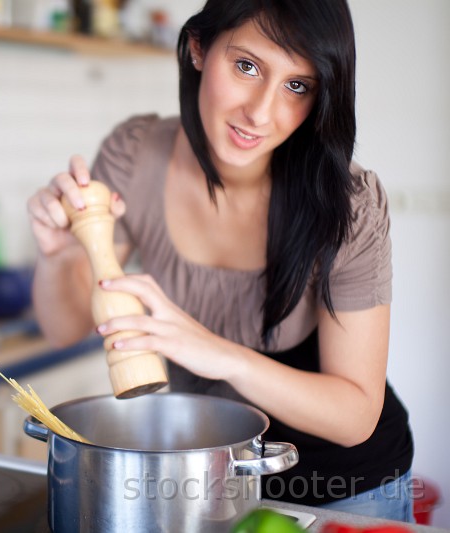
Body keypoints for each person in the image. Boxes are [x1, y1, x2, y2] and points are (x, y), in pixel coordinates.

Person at [26, 0, 415, 522]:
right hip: (203, 488)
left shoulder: (349, 203)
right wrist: (57, 256)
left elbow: (355, 415)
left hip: (348, 489)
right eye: (247, 66)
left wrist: (217, 353)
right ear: (198, 48)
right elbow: (64, 326)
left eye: (297, 86)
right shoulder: (135, 156)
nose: (261, 112)